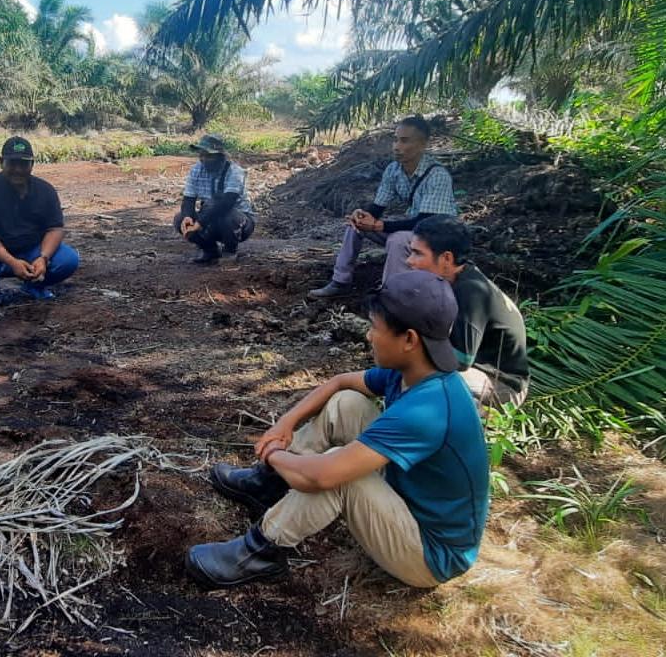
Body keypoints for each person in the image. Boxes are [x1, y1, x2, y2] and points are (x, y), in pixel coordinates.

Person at [186, 270, 488, 591]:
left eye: (375, 328)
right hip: (408, 495)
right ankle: (267, 487)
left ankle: (260, 551)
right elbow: (340, 382)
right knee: (346, 402)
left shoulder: (428, 409)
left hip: (430, 555)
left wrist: (274, 454)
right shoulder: (414, 372)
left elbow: (323, 477)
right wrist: (285, 424)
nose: (369, 336)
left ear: (410, 339)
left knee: (343, 474)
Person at [310, 115, 457, 298]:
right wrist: (363, 215)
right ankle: (340, 281)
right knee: (356, 225)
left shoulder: (437, 175)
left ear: (423, 144)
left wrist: (381, 226)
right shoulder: (394, 170)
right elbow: (378, 207)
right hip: (418, 230)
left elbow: (426, 222)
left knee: (398, 239)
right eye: (395, 140)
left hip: (440, 236)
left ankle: (391, 296)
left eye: (404, 141)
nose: (397, 146)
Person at [408, 215, 529, 410]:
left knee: (425, 379)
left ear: (447, 258)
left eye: (417, 254)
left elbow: (461, 360)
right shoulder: (454, 279)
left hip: (504, 384)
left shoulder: (470, 291)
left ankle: (476, 422)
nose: (410, 260)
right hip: (479, 371)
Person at [0, 136, 79, 314]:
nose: (18, 169)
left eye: (24, 164)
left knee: (68, 259)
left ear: (32, 164)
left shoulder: (45, 190)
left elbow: (55, 228)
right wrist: (11, 261)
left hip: (33, 250)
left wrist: (44, 258)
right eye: (12, 163)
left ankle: (34, 287)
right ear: (1, 162)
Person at [173, 134, 255, 265]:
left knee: (225, 213)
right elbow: (188, 199)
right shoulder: (196, 170)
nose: (204, 159)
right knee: (179, 219)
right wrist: (188, 217)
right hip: (209, 219)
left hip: (238, 222)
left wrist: (199, 223)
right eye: (202, 155)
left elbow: (226, 203)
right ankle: (210, 251)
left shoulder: (235, 172)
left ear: (221, 156)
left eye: (209, 156)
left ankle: (230, 251)